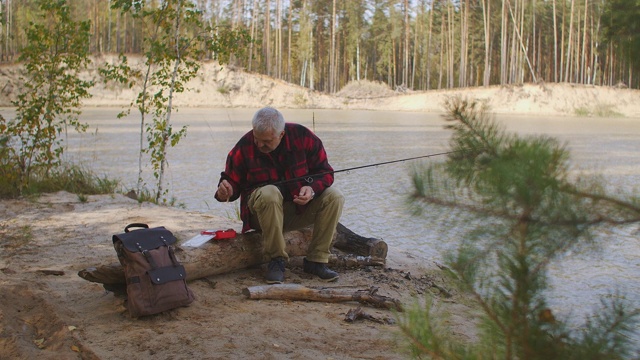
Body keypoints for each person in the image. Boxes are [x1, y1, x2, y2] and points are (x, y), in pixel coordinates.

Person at [215, 107, 344, 284]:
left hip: (296, 212)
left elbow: (325, 173)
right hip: (260, 215)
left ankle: (316, 261)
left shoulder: (303, 137)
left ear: (281, 134)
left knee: (334, 196)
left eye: (266, 142)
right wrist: (225, 191)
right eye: (257, 139)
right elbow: (231, 182)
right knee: (270, 192)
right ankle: (276, 260)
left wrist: (311, 189)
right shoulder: (244, 146)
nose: (260, 145)